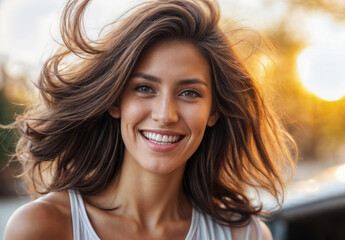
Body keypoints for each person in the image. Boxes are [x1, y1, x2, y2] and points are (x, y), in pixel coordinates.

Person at [4, 0, 296, 239]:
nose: (165, 114)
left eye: (189, 93)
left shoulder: (243, 235)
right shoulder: (44, 227)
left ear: (214, 111)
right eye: (144, 88)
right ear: (115, 100)